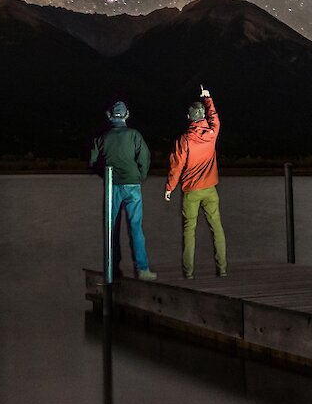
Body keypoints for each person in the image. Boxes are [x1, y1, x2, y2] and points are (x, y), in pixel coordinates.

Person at [89, 100, 157, 281]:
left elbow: (93, 162)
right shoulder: (134, 135)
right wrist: (140, 175)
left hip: (113, 186)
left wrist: (105, 174)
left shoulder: (102, 137)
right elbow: (145, 156)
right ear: (126, 115)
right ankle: (142, 270)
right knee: (136, 227)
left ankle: (112, 270)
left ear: (110, 116)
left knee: (111, 229)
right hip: (133, 185)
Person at [164, 85, 227, 279]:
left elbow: (176, 167)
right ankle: (222, 270)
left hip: (191, 191)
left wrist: (169, 188)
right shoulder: (212, 133)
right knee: (217, 227)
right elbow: (214, 117)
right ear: (203, 117)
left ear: (189, 117)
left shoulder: (184, 140)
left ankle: (189, 273)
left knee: (189, 231)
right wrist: (207, 97)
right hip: (210, 190)